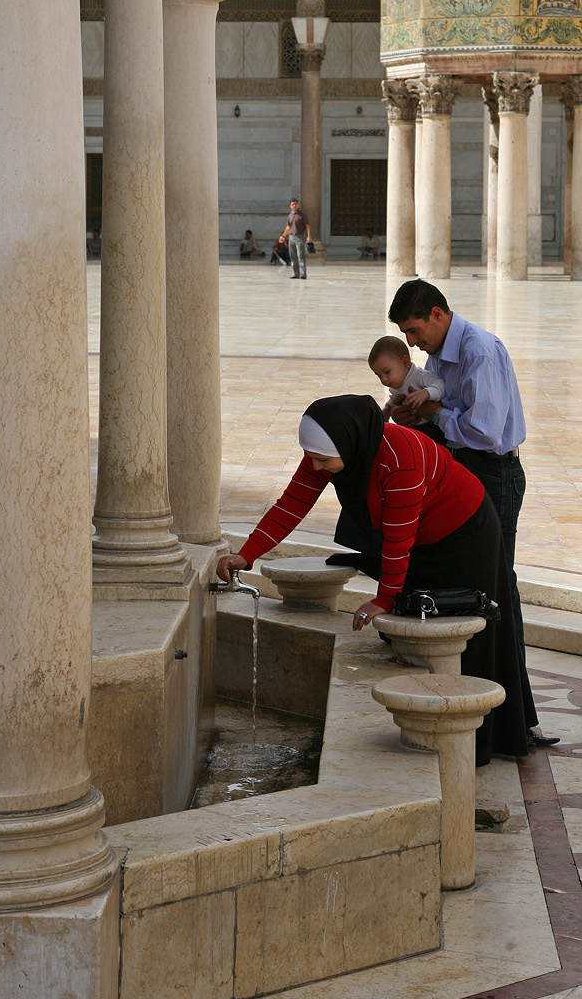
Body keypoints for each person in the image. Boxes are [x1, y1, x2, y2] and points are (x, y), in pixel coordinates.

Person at [215, 394, 541, 761]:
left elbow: (398, 539)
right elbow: (291, 504)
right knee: (422, 619)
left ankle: (484, 743)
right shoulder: (332, 450)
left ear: (350, 442)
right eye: (312, 458)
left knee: (476, 633)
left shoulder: (398, 458)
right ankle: (435, 731)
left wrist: (383, 599)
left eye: (322, 460)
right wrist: (248, 554)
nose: (316, 467)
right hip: (423, 536)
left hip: (466, 533)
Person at [386, 278, 557, 751]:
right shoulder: (440, 356)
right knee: (477, 587)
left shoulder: (479, 350)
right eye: (407, 335)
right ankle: (480, 705)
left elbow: (482, 430)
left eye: (415, 331)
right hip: (464, 472)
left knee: (500, 586)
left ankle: (515, 717)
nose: (412, 344)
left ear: (438, 314)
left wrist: (435, 413)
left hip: (494, 474)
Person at [368, 334, 443, 421]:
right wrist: (387, 409)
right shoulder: (397, 384)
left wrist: (426, 393)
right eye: (379, 375)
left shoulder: (420, 376)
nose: (383, 379)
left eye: (387, 372)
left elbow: (441, 385)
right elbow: (394, 398)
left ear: (405, 362)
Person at [281, 197, 311, 280]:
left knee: (301, 256)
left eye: (295, 204)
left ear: (298, 204)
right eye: (292, 204)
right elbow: (288, 226)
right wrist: (283, 236)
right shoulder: (290, 215)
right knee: (293, 256)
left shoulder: (302, 215)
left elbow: (307, 226)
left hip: (300, 236)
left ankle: (303, 274)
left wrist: (309, 237)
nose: (294, 205)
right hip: (291, 237)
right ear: (290, 206)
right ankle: (296, 273)